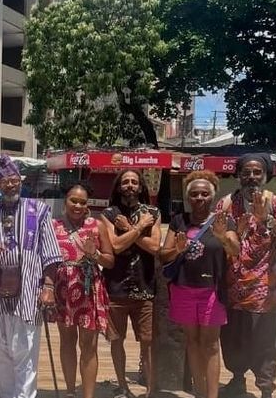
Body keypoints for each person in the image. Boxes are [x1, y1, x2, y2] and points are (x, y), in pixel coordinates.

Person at [0, 155, 62, 398]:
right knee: (2, 353)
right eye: (5, 181)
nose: (10, 185)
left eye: (14, 180)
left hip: (27, 293)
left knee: (25, 351)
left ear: (21, 181)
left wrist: (48, 286)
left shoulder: (39, 210)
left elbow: (50, 252)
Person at [216, 153, 276, 398]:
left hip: (266, 292)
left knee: (266, 344)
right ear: (238, 175)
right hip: (232, 289)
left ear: (265, 176)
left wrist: (268, 220)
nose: (251, 177)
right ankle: (237, 379)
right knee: (233, 340)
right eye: (246, 172)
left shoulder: (275, 203)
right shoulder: (226, 204)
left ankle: (265, 389)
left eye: (257, 172)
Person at [159, 171, 239, 398]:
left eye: (205, 194)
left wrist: (223, 237)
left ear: (213, 196)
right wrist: (178, 249)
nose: (199, 198)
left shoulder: (224, 221)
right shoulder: (179, 221)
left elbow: (235, 251)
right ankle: (200, 392)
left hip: (212, 291)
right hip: (183, 289)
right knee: (193, 343)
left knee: (211, 345)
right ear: (188, 197)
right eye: (194, 194)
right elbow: (164, 255)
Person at [100, 169, 161, 398]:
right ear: (118, 187)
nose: (130, 185)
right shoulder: (108, 214)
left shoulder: (153, 213)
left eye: (134, 182)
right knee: (117, 341)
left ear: (141, 187)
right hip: (115, 287)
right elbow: (115, 246)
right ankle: (123, 388)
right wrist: (135, 228)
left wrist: (128, 231)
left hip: (145, 287)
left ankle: (151, 390)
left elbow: (155, 247)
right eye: (125, 182)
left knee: (148, 341)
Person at [53, 183, 115, 398]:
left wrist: (94, 254)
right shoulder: (53, 226)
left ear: (87, 204)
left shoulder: (97, 226)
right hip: (63, 290)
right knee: (67, 341)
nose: (77, 205)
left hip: (89, 289)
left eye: (82, 202)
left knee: (88, 345)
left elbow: (109, 261)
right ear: (66, 201)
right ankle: (70, 392)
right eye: (73, 200)